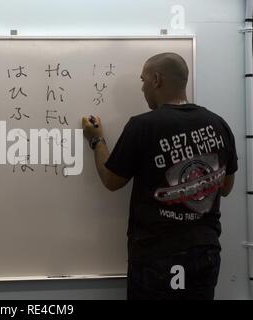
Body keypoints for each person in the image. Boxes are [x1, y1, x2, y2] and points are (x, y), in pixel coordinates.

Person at [82, 52, 238, 300]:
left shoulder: (143, 125)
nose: (142, 88)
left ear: (156, 79)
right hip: (204, 252)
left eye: (143, 80)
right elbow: (226, 187)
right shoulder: (218, 124)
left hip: (157, 254)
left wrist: (97, 140)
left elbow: (112, 181)